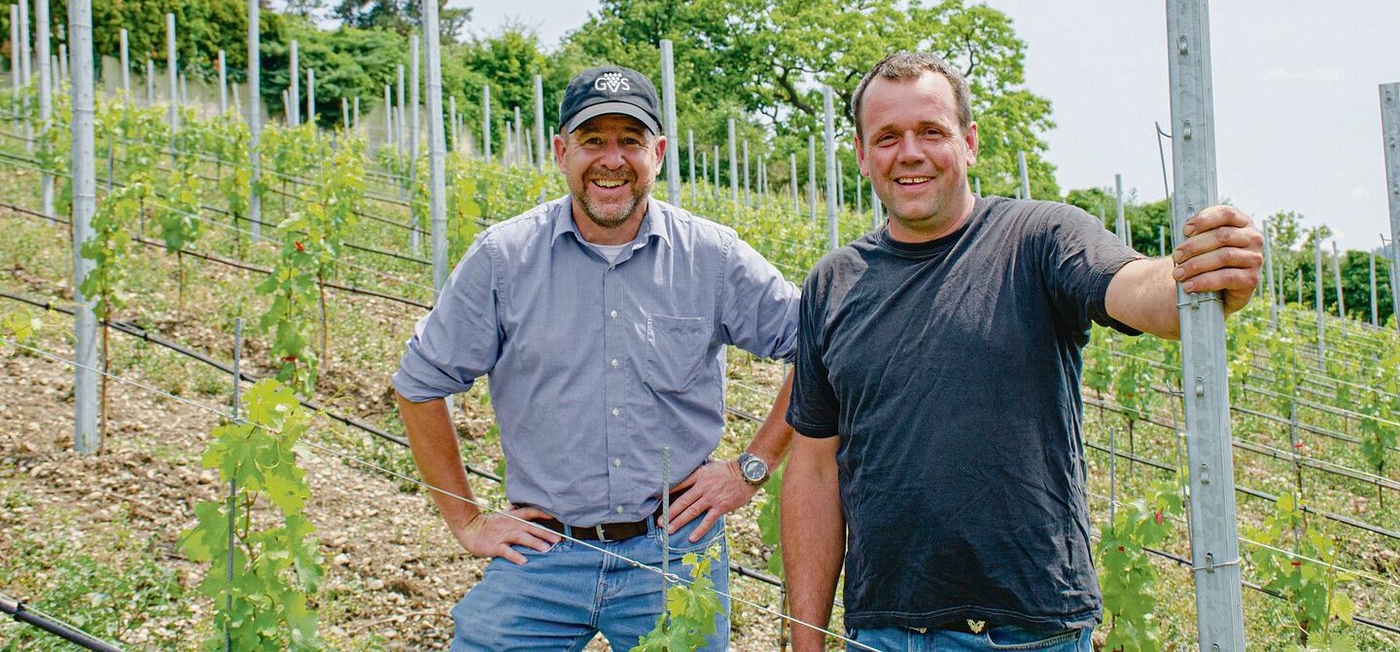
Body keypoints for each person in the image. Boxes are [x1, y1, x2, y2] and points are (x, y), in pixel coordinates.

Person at [781, 52, 1262, 652]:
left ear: (969, 142)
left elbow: (1134, 289)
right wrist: (804, 638)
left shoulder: (1039, 238)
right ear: (860, 154)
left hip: (1031, 631)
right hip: (885, 633)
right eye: (887, 138)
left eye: (932, 131)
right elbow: (814, 469)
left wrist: (1199, 278)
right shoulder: (833, 283)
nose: (909, 153)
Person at [393, 64, 798, 652]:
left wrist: (750, 469)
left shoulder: (711, 257)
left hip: (674, 552)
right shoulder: (505, 259)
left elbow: (817, 350)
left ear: (657, 152)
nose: (612, 159)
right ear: (561, 152)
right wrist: (466, 519)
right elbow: (419, 383)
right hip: (545, 555)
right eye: (592, 140)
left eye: (630, 141)